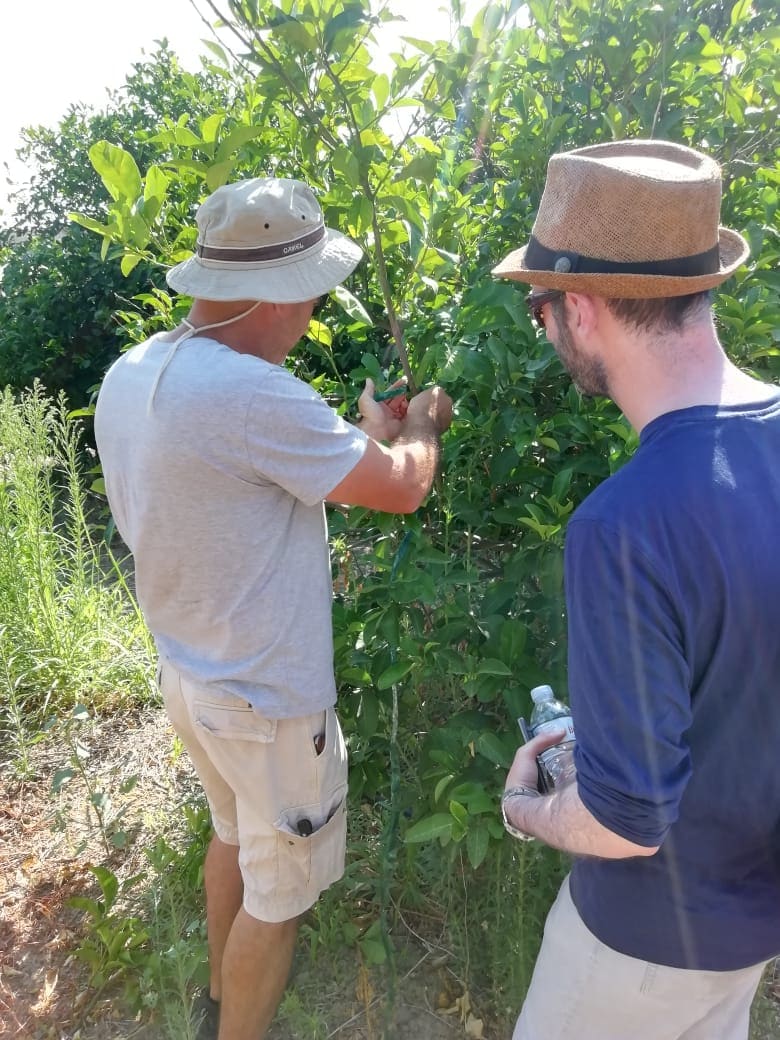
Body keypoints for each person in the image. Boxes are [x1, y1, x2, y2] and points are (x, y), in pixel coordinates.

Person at [94, 176, 452, 1040]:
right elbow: (402, 487)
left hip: (194, 677)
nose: (314, 309)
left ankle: (219, 1001)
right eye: (312, 292)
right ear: (280, 295)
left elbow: (248, 465)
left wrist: (363, 428)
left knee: (235, 841)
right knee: (280, 897)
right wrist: (422, 427)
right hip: (269, 706)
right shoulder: (252, 397)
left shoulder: (139, 370)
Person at [492, 139, 780, 1040]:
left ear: (580, 310)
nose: (543, 325)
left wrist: (528, 811)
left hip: (639, 948)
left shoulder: (624, 524)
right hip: (751, 931)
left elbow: (628, 820)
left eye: (539, 306)